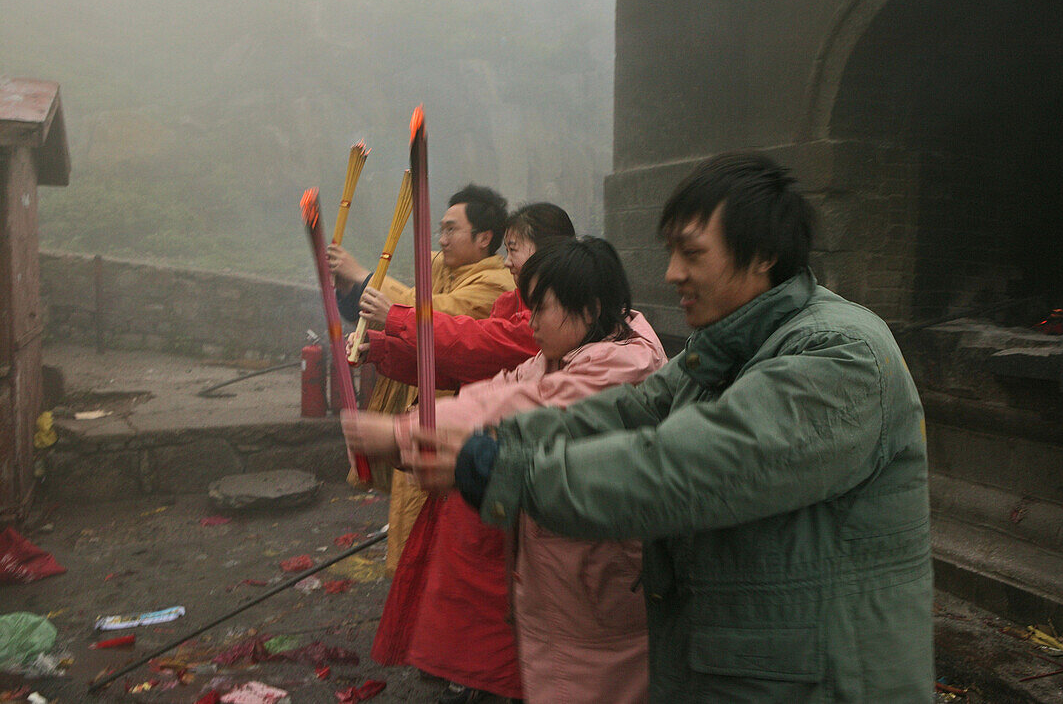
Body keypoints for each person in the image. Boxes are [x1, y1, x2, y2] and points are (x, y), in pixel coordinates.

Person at [353, 153, 934, 702]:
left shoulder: (838, 357)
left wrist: (492, 466)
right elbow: (628, 413)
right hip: (744, 659)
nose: (671, 272)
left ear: (761, 256)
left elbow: (682, 469)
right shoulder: (728, 343)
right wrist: (455, 440)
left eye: (692, 253)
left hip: (827, 678)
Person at [344, 237, 666, 704]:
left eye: (541, 309)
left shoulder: (625, 362)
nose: (530, 323)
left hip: (603, 570)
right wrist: (415, 427)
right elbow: (495, 390)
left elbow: (523, 405)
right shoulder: (560, 351)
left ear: (591, 309)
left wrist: (402, 433)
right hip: (555, 562)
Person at [327, 183, 513, 575]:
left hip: (455, 425)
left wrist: (362, 275)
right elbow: (403, 315)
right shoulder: (440, 267)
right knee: (408, 526)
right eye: (440, 229)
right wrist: (351, 293)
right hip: (419, 410)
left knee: (436, 538)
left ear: (484, 238)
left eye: (452, 230)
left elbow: (434, 318)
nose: (442, 239)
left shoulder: (497, 284)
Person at [348, 202, 575, 391]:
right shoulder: (509, 302)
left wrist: (395, 315)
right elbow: (456, 367)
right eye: (442, 231)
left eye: (513, 250)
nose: (443, 241)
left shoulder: (550, 310)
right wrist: (379, 348)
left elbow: (473, 342)